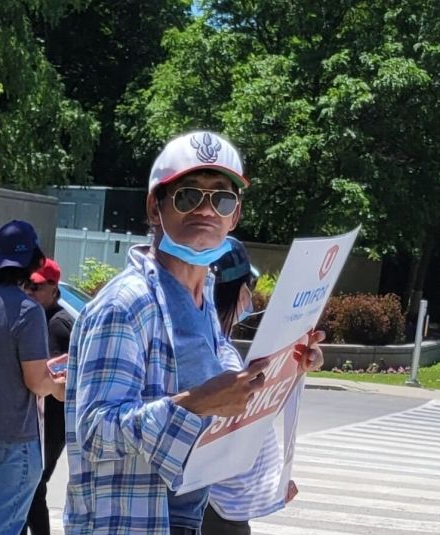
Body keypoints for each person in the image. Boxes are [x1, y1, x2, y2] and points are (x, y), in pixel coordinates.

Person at [64, 131, 324, 534]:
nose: (206, 210)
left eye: (222, 198)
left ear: (234, 216)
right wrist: (197, 403)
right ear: (156, 207)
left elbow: (227, 407)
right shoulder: (125, 306)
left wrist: (286, 366)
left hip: (190, 520)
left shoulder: (203, 306)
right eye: (189, 195)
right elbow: (97, 434)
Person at [201, 238, 314, 534]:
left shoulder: (215, 349)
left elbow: (251, 417)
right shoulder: (219, 358)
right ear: (241, 292)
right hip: (215, 514)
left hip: (223, 511)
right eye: (248, 286)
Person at [0, 221, 66, 535]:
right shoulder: (28, 310)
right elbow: (36, 381)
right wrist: (59, 386)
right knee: (2, 528)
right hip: (18, 435)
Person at [21, 258, 73, 535]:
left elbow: (56, 372)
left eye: (37, 287)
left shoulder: (58, 324)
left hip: (53, 422)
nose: (30, 291)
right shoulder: (41, 318)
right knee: (29, 489)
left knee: (33, 488)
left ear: (54, 289)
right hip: (42, 420)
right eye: (27, 286)